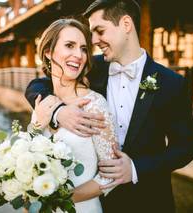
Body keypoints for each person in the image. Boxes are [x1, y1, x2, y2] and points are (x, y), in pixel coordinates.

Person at [25, 0, 193, 212]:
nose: (94, 41)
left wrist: (135, 169)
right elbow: (40, 83)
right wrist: (58, 111)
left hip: (149, 199)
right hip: (100, 202)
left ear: (126, 24)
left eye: (99, 31)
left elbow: (186, 148)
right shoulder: (91, 66)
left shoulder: (172, 83)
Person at [28, 18, 120, 213]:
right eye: (69, 45)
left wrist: (61, 199)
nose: (79, 55)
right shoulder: (44, 103)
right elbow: (29, 154)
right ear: (48, 52)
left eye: (84, 49)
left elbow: (111, 175)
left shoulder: (95, 105)